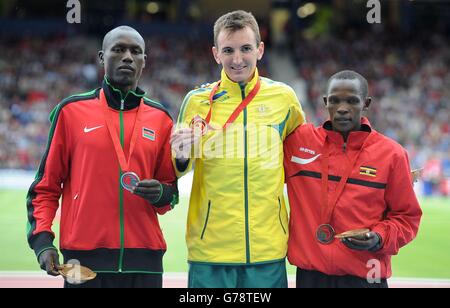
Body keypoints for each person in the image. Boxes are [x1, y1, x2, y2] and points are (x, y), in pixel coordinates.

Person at [26, 26, 178, 288]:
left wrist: (161, 194)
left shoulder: (161, 119)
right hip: (81, 264)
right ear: (101, 57)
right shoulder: (70, 112)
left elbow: (170, 196)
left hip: (145, 267)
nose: (128, 57)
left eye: (135, 51)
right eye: (118, 49)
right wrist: (42, 242)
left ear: (144, 61)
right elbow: (45, 187)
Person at [170, 10, 305, 288]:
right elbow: (175, 168)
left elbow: (302, 157)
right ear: (216, 53)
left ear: (260, 49)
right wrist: (182, 154)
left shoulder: (284, 98)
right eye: (228, 50)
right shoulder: (196, 101)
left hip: (267, 251)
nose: (238, 59)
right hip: (211, 253)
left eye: (246, 48)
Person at [284, 70, 422, 288]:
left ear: (366, 103)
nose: (342, 108)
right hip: (311, 277)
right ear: (325, 102)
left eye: (352, 101)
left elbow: (407, 218)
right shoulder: (298, 142)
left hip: (367, 277)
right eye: (335, 100)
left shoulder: (392, 154)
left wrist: (379, 238)